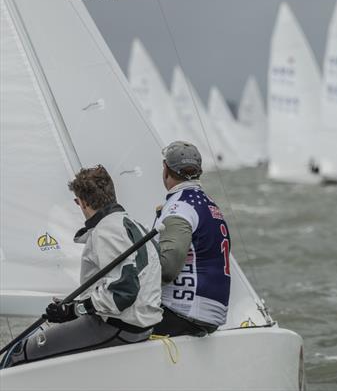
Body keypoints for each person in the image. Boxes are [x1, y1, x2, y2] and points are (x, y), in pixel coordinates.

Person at [2, 166, 162, 368]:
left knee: (19, 353)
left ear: (83, 202)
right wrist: (75, 306)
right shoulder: (133, 224)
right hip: (140, 325)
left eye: (77, 202)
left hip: (118, 326)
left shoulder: (106, 231)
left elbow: (123, 292)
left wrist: (73, 310)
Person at [153, 141, 231, 337]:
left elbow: (167, 269)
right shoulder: (210, 205)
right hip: (213, 315)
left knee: (109, 323)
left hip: (182, 314)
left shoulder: (179, 207)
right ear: (199, 171)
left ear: (165, 170)